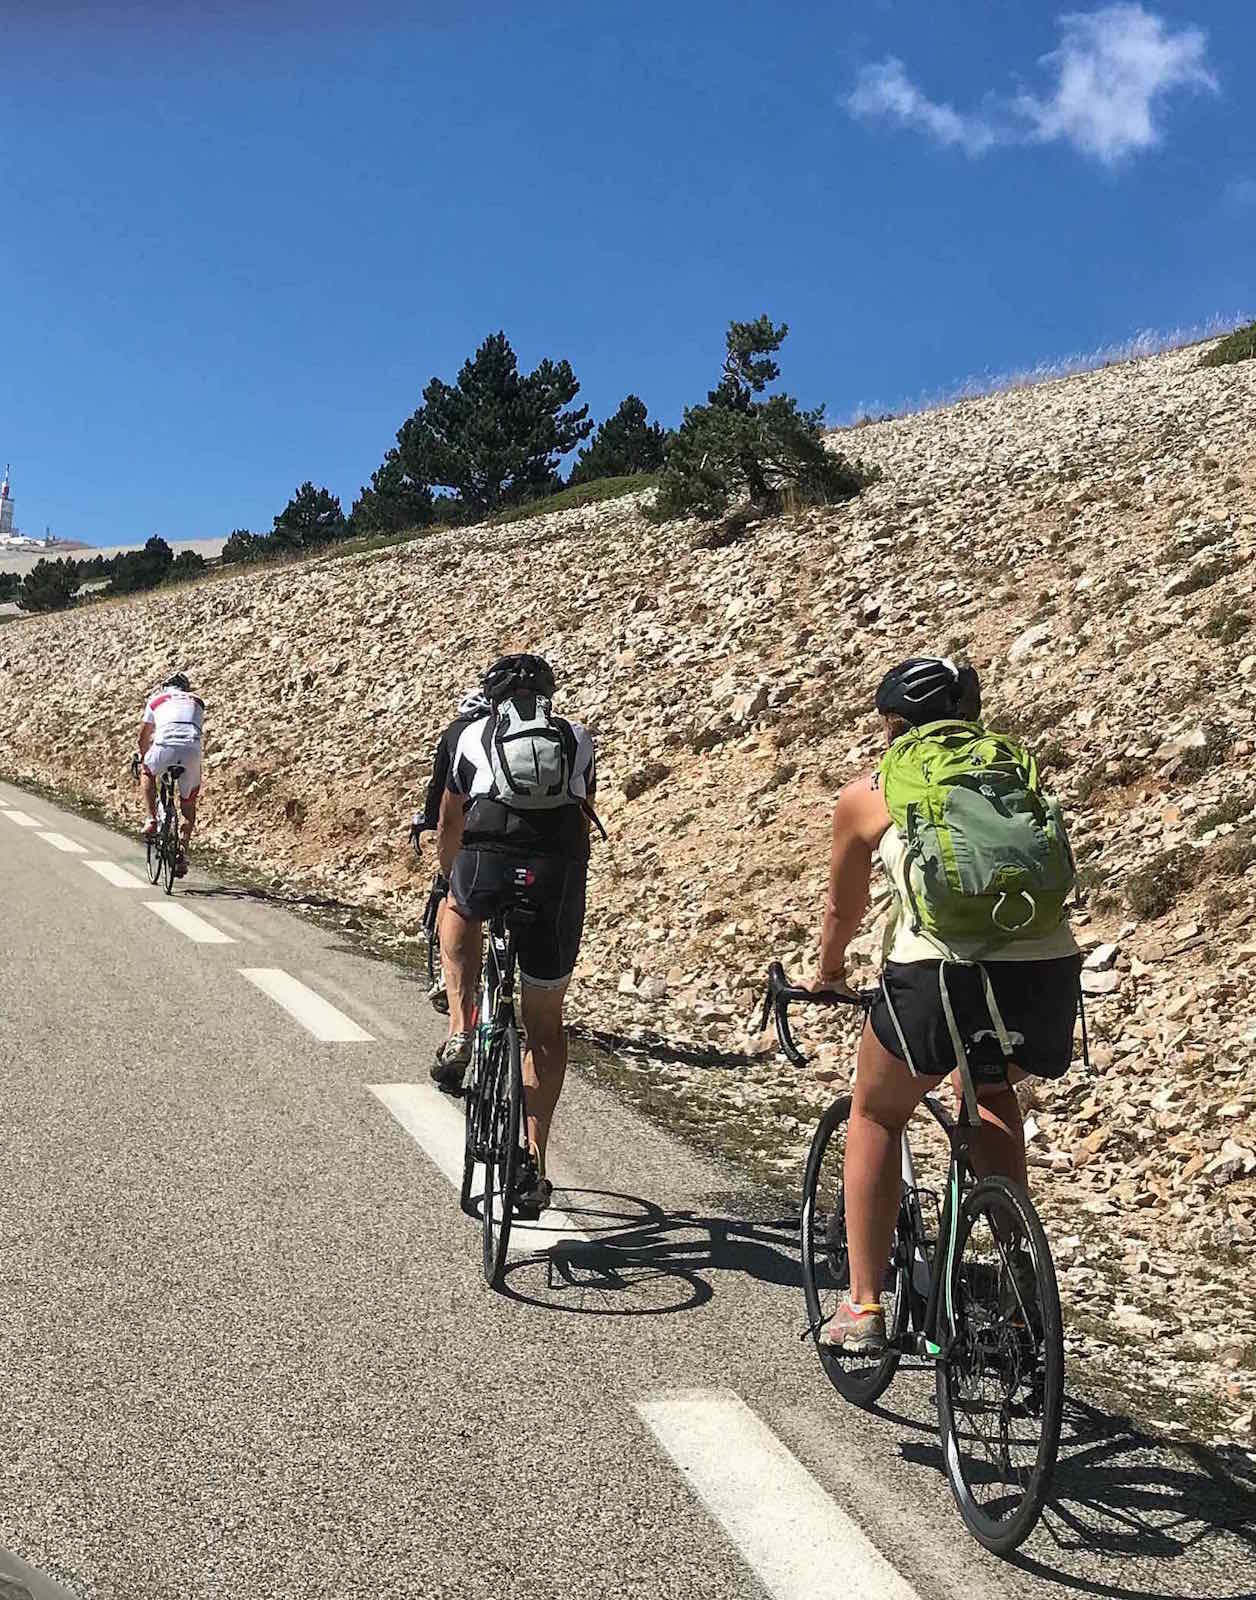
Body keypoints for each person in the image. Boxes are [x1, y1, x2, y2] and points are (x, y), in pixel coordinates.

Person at [813, 657, 1080, 1352]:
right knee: (988, 1087)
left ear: (892, 723)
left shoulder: (871, 793)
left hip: (937, 976)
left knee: (876, 1111)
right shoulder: (1013, 774)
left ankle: (864, 1308)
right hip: (1046, 969)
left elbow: (844, 908)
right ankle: (1019, 1282)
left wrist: (828, 972)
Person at [433, 652, 596, 1213]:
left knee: (456, 908)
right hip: (555, 873)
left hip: (488, 863)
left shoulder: (470, 735)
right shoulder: (575, 736)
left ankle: (461, 1026)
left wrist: (447, 873)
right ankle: (533, 1160)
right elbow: (582, 812)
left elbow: (452, 819)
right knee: (545, 1026)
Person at [411, 688, 492, 1009]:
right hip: (518, 834)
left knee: (452, 888)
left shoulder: (457, 733)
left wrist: (426, 820)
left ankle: (450, 976)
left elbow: (440, 787)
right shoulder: (511, 734)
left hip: (466, 825)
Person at [136, 671, 204, 876]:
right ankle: (182, 851)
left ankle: (151, 819)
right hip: (192, 750)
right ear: (186, 688)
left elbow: (143, 736)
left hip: (164, 746)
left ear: (166, 687)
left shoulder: (156, 699)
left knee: (147, 772)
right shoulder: (197, 700)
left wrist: (144, 756)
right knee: (188, 804)